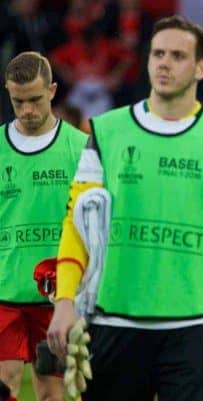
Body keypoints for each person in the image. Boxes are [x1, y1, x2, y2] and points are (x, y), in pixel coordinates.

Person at [46, 15, 203, 401]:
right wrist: (63, 301)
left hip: (198, 321)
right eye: (158, 53)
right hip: (115, 318)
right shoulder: (107, 131)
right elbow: (77, 222)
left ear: (201, 68)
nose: (164, 62)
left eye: (177, 55)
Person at [0, 51, 88, 401]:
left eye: (35, 100)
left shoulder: (80, 148)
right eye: (18, 101)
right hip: (3, 291)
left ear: (52, 90)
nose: (27, 111)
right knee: (4, 384)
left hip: (56, 295)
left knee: (50, 392)